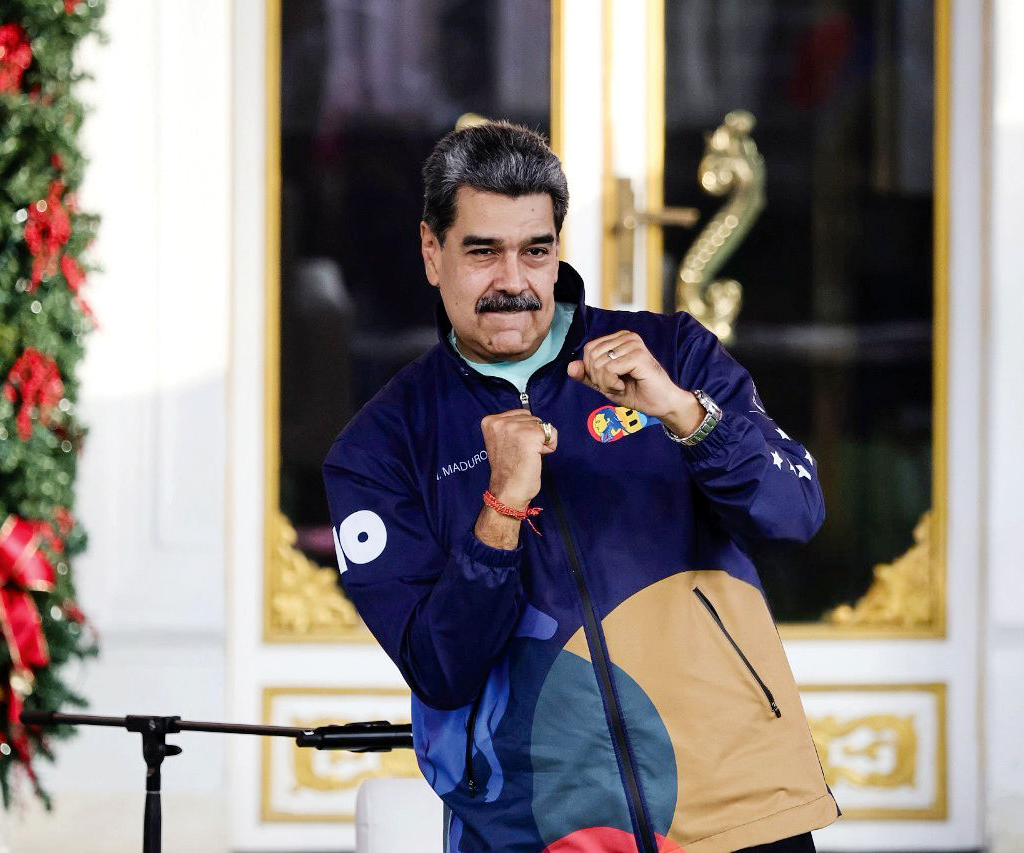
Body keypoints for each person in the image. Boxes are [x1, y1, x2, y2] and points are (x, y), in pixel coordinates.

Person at [322, 121, 839, 853]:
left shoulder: (672, 352)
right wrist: (501, 507)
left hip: (736, 801)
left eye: (536, 250)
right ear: (432, 251)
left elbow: (795, 512)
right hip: (541, 829)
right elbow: (441, 669)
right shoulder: (378, 447)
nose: (514, 281)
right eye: (483, 251)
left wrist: (686, 415)